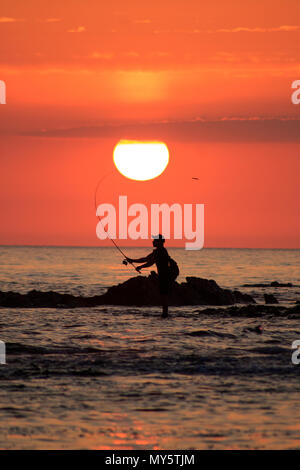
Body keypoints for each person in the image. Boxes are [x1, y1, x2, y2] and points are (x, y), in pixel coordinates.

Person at [126, 234, 172, 318]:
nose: (153, 241)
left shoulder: (160, 251)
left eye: (155, 240)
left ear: (159, 242)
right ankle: (165, 314)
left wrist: (138, 265)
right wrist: (133, 261)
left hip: (165, 275)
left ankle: (165, 315)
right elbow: (147, 259)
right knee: (163, 295)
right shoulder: (159, 251)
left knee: (164, 295)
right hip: (164, 275)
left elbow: (149, 262)